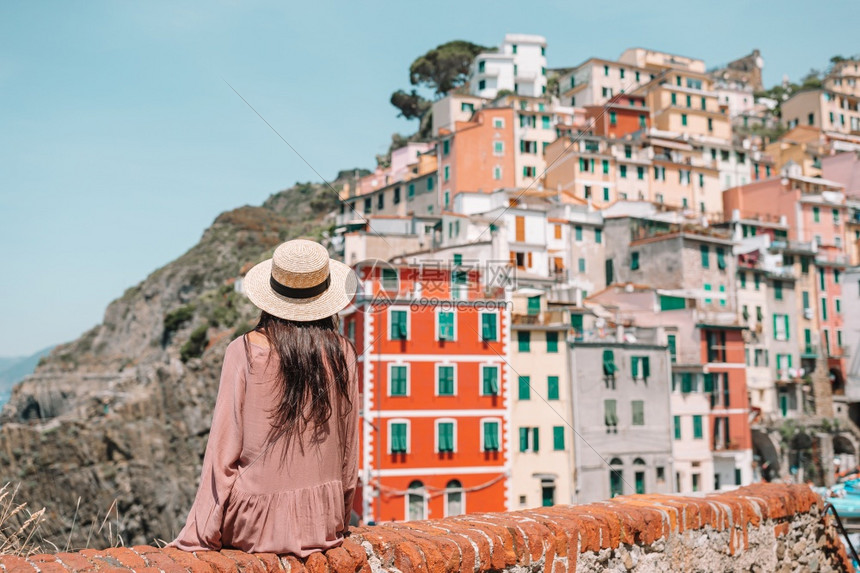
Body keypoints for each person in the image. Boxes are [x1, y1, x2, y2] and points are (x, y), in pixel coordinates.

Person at [170, 239, 359, 556]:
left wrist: (201, 533)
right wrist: (336, 518)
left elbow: (222, 453)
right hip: (321, 521)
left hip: (254, 520)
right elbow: (348, 456)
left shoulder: (242, 350)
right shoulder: (343, 352)